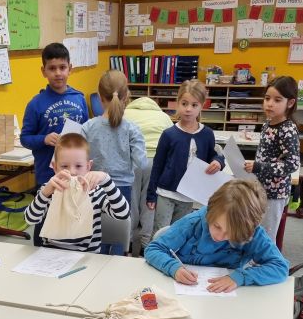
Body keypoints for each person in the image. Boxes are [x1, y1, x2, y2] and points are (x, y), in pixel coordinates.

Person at [144, 179, 288, 292]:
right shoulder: (193, 222)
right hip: (182, 289)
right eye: (217, 226)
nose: (219, 237)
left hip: (225, 298)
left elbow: (280, 267)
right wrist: (174, 268)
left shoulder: (252, 232)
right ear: (209, 213)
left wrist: (240, 277)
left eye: (231, 233)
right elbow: (153, 249)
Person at [20, 43, 88, 245]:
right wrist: (43, 139)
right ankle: (40, 254)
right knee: (45, 223)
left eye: (62, 67)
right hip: (48, 175)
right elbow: (25, 138)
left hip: (76, 174)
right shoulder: (35, 104)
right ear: (43, 71)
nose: (58, 73)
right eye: (52, 68)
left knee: (73, 221)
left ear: (70, 68)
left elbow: (86, 133)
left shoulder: (79, 98)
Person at [24, 133, 129, 253]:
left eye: (79, 166)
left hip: (87, 255)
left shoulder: (95, 191)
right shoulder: (50, 190)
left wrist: (107, 181)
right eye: (64, 166)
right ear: (55, 167)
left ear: (88, 166)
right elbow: (30, 219)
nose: (72, 172)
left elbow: (123, 214)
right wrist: (44, 193)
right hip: (52, 254)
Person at [146, 80, 223, 237]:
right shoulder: (168, 134)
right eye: (184, 103)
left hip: (188, 195)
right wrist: (151, 194)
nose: (188, 109)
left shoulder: (207, 134)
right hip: (166, 193)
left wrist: (218, 162)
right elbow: (157, 165)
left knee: (180, 234)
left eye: (194, 105)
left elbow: (214, 155)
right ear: (177, 103)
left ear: (202, 106)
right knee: (161, 233)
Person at [81, 70, 146, 254]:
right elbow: (142, 163)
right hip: (122, 189)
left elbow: (78, 159)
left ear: (99, 97)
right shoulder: (132, 129)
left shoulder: (88, 126)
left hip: (93, 187)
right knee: (119, 236)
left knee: (96, 233)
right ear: (126, 97)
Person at [244, 76, 300, 240]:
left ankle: (265, 257)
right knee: (253, 231)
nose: (269, 104)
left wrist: (259, 167)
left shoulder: (287, 129)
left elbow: (292, 164)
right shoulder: (267, 124)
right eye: (267, 98)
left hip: (275, 194)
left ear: (290, 103)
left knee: (266, 237)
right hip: (259, 188)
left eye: (277, 100)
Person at [124, 95, 173, 256]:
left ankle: (128, 243)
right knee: (150, 203)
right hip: (155, 161)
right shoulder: (164, 117)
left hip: (132, 160)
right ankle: (146, 245)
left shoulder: (125, 113)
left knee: (130, 203)